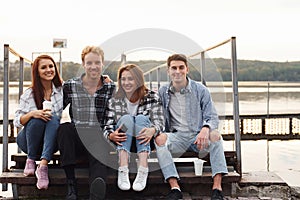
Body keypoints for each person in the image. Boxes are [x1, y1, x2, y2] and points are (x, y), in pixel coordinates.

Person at [154, 54, 228, 200]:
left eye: (181, 67)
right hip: (176, 137)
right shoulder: (163, 91)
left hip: (198, 137)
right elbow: (143, 98)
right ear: (168, 71)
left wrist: (205, 129)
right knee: (160, 140)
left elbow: (212, 116)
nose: (178, 71)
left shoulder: (201, 90)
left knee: (215, 136)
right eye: (173, 68)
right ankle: (175, 188)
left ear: (187, 69)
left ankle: (217, 188)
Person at [57, 46, 115, 200]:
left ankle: (96, 193)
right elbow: (56, 110)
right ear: (83, 64)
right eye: (89, 63)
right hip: (77, 135)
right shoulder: (70, 86)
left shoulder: (111, 88)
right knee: (64, 128)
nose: (93, 66)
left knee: (99, 154)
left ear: (103, 64)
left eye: (97, 62)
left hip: (98, 136)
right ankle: (71, 185)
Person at [103, 64, 164, 192]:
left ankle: (143, 169)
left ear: (138, 80)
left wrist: (152, 130)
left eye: (130, 79)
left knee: (141, 118)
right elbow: (107, 125)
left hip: (145, 142)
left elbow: (160, 123)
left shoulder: (152, 96)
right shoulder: (114, 100)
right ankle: (123, 168)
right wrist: (110, 135)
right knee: (126, 119)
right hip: (123, 143)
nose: (126, 83)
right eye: (123, 79)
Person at [13, 55, 63, 190]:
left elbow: (82, 85)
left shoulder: (61, 90)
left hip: (50, 143)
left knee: (53, 119)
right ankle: (30, 160)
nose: (48, 70)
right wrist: (32, 114)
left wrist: (102, 79)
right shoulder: (29, 93)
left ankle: (43, 166)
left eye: (51, 66)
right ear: (37, 71)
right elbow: (17, 122)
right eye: (44, 67)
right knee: (37, 119)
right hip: (28, 142)